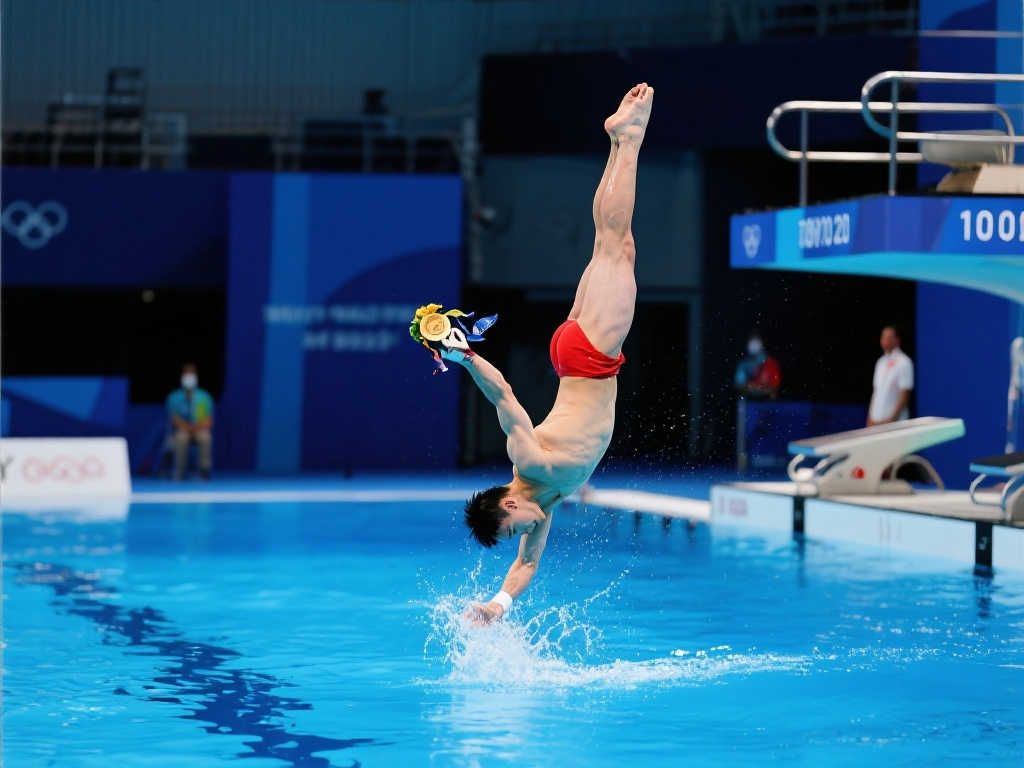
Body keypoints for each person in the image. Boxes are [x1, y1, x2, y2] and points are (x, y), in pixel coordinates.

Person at [441, 83, 654, 624]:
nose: (524, 533)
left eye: (514, 527)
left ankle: (627, 141)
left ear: (508, 504)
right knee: (612, 245)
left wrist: (466, 357)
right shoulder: (546, 501)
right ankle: (616, 142)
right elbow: (525, 567)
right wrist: (496, 604)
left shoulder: (530, 463)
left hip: (590, 359)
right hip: (579, 356)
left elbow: (504, 395)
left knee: (617, 239)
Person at [165, 362, 214, 480]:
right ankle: (179, 472)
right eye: (186, 373)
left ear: (196, 376)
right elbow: (174, 419)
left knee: (205, 437)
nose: (189, 376)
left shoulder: (204, 397)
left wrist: (195, 428)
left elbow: (208, 420)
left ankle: (204, 471)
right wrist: (187, 428)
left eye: (191, 373)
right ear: (182, 376)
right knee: (181, 437)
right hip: (181, 430)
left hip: (199, 430)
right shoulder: (174, 397)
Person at [867, 326, 913, 427]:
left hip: (895, 424)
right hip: (875, 423)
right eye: (883, 337)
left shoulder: (904, 362)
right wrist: (869, 418)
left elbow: (904, 396)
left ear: (897, 340)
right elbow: (876, 393)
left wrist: (891, 420)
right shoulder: (880, 363)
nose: (885, 340)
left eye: (889, 337)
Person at [733, 331, 781, 399]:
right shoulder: (743, 364)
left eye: (756, 340)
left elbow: (776, 385)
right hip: (749, 403)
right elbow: (739, 384)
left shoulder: (771, 363)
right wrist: (752, 389)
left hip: (768, 403)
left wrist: (764, 390)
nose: (754, 344)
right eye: (751, 340)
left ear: (761, 342)